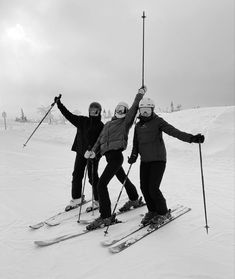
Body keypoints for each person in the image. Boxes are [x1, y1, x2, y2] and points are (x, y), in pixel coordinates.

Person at [127, 97, 205, 226]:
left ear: (152, 110)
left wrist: (191, 138)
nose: (145, 113)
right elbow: (136, 143)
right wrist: (134, 155)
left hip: (158, 160)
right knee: (144, 188)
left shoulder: (158, 121)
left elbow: (174, 132)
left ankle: (163, 212)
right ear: (139, 111)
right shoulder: (138, 125)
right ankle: (152, 211)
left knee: (153, 188)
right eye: (143, 110)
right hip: (145, 161)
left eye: (147, 110)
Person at [84, 86, 147, 230]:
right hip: (109, 157)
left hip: (116, 157)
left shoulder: (125, 123)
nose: (120, 111)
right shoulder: (108, 124)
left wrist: (139, 95)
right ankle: (134, 198)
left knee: (101, 184)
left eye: (123, 110)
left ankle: (105, 216)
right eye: (118, 109)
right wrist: (93, 151)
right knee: (122, 177)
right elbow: (99, 140)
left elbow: (133, 109)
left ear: (125, 113)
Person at [54, 96, 104, 211]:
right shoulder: (82, 121)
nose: (93, 113)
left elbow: (102, 143)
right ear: (89, 111)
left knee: (92, 178)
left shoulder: (101, 126)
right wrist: (59, 104)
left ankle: (98, 199)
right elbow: (68, 115)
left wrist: (96, 154)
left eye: (96, 111)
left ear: (99, 112)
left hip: (93, 156)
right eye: (91, 111)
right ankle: (77, 198)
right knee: (76, 175)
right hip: (81, 152)